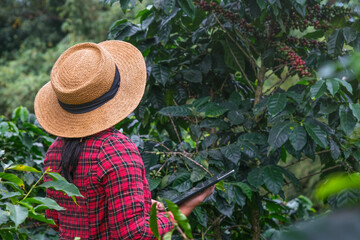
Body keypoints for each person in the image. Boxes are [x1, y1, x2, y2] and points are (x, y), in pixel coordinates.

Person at [34, 40, 214, 239]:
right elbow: (135, 234)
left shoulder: (55, 151)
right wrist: (184, 208)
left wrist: (143, 203)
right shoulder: (115, 149)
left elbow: (54, 217)